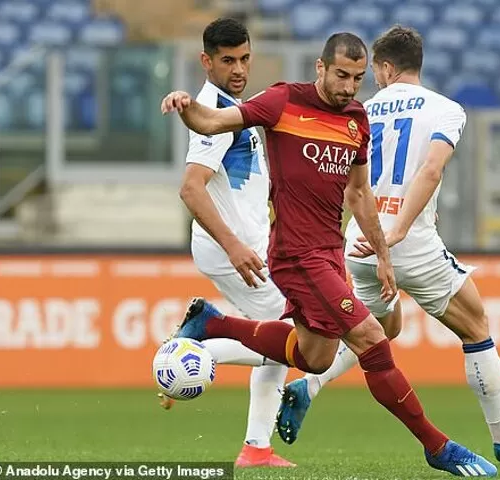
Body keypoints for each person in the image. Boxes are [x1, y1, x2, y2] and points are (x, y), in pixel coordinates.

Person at [162, 32, 499, 477]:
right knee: (372, 339)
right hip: (296, 257)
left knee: (315, 357)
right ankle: (437, 446)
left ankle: (213, 323)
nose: (348, 87)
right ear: (320, 68)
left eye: (358, 78)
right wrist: (186, 105)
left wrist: (382, 253)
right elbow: (211, 123)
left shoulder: (357, 118)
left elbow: (360, 194)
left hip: (329, 252)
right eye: (341, 75)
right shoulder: (282, 101)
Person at [277, 26, 500, 466]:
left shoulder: (359, 109)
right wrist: (401, 228)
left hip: (359, 241)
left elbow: (349, 182)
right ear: (415, 64)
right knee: (476, 325)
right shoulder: (446, 109)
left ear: (384, 67)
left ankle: (305, 387)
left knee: (380, 331)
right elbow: (430, 171)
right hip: (408, 242)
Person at [161, 18, 295, 468]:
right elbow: (191, 188)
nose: (238, 68)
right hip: (230, 250)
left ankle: (257, 448)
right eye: (227, 60)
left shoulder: (233, 106)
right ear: (206, 61)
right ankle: (197, 345)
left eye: (244, 58)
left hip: (253, 243)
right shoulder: (212, 112)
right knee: (296, 337)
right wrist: (236, 246)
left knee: (283, 338)